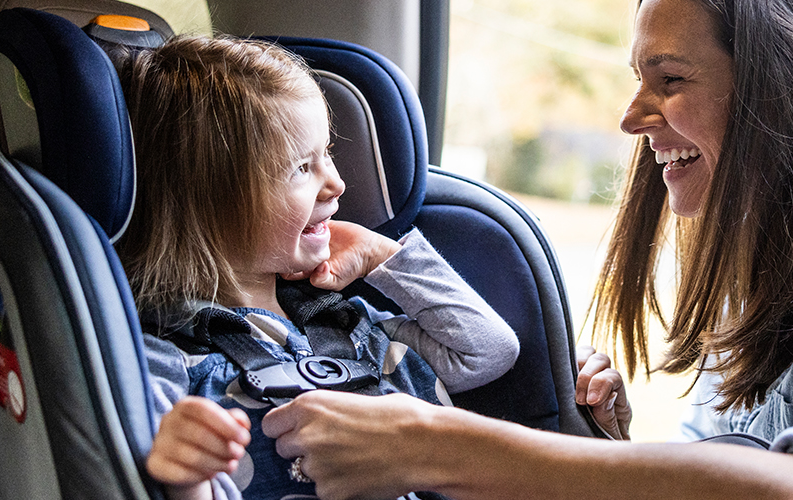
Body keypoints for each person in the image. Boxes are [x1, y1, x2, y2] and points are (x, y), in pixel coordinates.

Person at [261, 0, 793, 498]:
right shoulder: (766, 255)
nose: (631, 116)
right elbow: (731, 465)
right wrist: (616, 447)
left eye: (671, 79)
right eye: (638, 79)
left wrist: (431, 442)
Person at [111, 36, 520, 500]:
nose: (337, 182)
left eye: (327, 153)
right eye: (301, 168)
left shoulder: (348, 324)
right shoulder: (166, 361)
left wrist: (382, 255)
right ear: (208, 204)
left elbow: (488, 352)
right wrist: (188, 475)